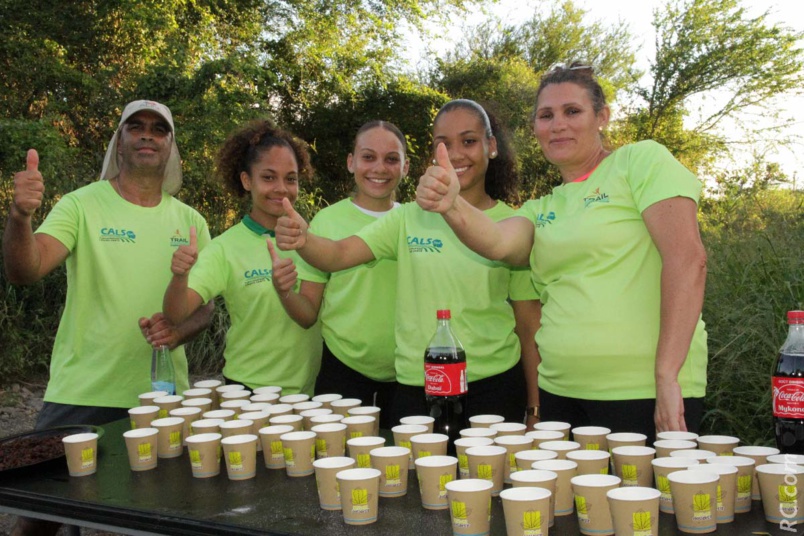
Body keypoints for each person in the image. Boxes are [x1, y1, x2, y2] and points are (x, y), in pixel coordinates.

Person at [416, 63, 708, 442]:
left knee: (643, 503)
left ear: (601, 117)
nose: (558, 125)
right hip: (560, 394)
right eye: (546, 115)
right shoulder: (542, 207)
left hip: (643, 392)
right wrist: (451, 204)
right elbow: (497, 241)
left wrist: (667, 375)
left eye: (573, 111)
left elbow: (688, 260)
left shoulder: (639, 162)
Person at [4, 99, 212, 536]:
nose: (147, 135)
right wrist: (20, 216)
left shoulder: (191, 220)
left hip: (162, 396)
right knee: (41, 514)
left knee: (163, 515)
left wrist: (176, 331)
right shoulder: (82, 204)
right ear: (119, 141)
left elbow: (206, 309)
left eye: (159, 129)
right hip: (83, 388)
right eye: (135, 127)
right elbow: (26, 270)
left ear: (170, 146)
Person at [275, 100, 540, 426]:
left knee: (486, 479)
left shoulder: (513, 223)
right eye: (444, 143)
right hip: (418, 389)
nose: (456, 154)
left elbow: (528, 325)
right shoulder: (407, 219)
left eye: (468, 141)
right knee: (412, 479)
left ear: (492, 146)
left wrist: (534, 407)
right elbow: (338, 254)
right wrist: (304, 240)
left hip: (494, 387)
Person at [163, 120, 322, 394]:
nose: (281, 188)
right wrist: (180, 276)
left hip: (311, 392)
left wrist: (286, 291)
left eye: (291, 178)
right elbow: (176, 314)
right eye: (268, 177)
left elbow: (309, 316)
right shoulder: (225, 248)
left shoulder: (315, 241)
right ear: (247, 181)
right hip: (248, 394)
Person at [277, 120, 408, 428]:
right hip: (343, 371)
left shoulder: (418, 221)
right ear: (351, 162)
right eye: (368, 156)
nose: (379, 167)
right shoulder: (326, 221)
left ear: (406, 167)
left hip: (408, 374)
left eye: (391, 159)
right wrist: (284, 291)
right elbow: (308, 312)